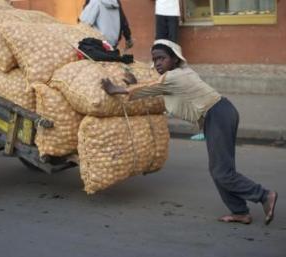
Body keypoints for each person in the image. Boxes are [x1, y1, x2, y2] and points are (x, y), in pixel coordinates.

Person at [101, 39, 278, 225]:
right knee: (220, 169)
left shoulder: (174, 77)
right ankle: (240, 211)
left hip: (217, 115)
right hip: (220, 114)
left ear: (175, 59)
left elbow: (151, 88)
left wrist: (116, 89)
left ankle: (264, 196)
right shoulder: (175, 77)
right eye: (155, 60)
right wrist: (133, 85)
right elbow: (153, 88)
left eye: (162, 58)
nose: (158, 63)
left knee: (222, 172)